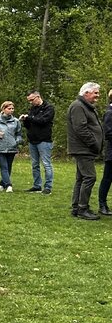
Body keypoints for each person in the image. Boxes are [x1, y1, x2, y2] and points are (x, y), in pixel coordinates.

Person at [67, 82, 103, 220]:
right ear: (86, 93)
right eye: (95, 93)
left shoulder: (84, 106)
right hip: (83, 148)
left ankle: (77, 207)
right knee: (90, 177)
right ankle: (82, 208)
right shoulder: (78, 106)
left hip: (84, 148)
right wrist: (93, 143)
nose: (97, 96)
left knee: (81, 178)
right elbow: (80, 128)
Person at [20, 90, 55, 193]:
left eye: (32, 100)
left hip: (44, 140)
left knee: (46, 164)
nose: (31, 102)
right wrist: (25, 120)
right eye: (29, 101)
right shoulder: (32, 109)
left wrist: (29, 118)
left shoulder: (48, 108)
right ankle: (37, 185)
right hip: (32, 140)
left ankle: (48, 186)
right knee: (35, 164)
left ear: (38, 97)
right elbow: (29, 124)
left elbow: (42, 121)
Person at [0, 101, 23, 192]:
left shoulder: (16, 121)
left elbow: (19, 134)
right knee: (4, 166)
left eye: (12, 109)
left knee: (8, 166)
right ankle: (8, 185)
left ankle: (2, 184)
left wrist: (17, 141)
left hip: (12, 147)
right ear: (3, 109)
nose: (11, 110)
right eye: (9, 108)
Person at [99, 98, 112, 216]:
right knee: (107, 179)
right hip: (111, 153)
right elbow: (108, 133)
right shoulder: (109, 113)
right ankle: (102, 205)